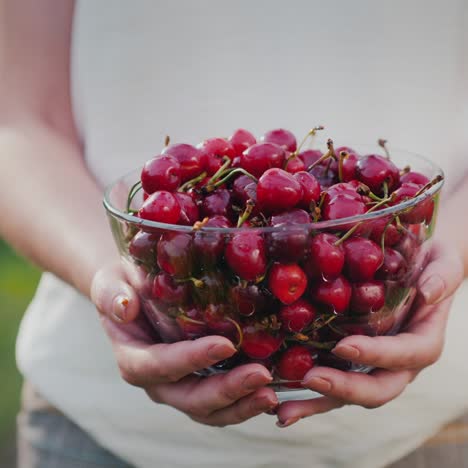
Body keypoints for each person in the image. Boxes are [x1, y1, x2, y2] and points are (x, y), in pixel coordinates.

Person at [1, 1, 467, 467]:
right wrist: (108, 276)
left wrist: (452, 254)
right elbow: (17, 124)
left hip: (433, 427)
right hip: (99, 429)